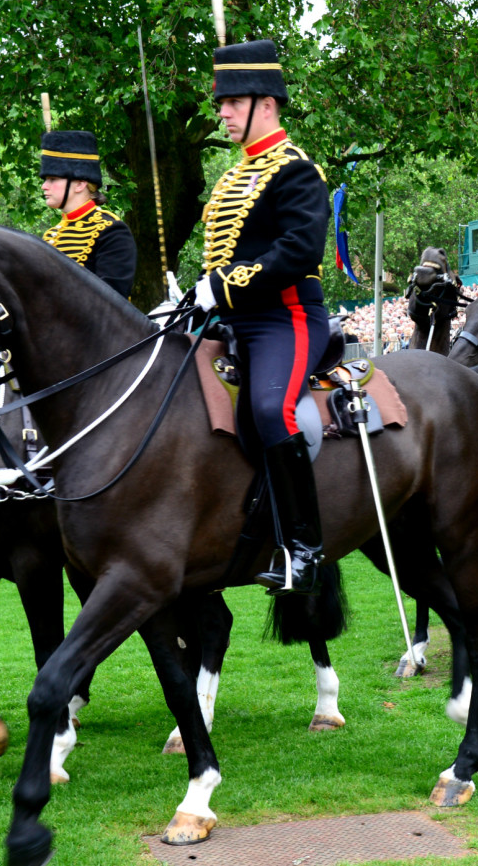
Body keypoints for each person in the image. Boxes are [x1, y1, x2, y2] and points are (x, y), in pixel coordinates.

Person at [192, 38, 331, 595]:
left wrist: (223, 285)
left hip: (285, 319)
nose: (221, 113)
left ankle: (305, 548)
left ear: (265, 105)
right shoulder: (230, 178)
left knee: (272, 409)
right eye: (221, 104)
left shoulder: (296, 171)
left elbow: (298, 251)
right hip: (230, 322)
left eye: (231, 103)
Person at [40, 130, 138, 298]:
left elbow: (113, 303)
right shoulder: (50, 236)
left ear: (80, 184)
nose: (44, 186)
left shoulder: (111, 231)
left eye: (52, 179)